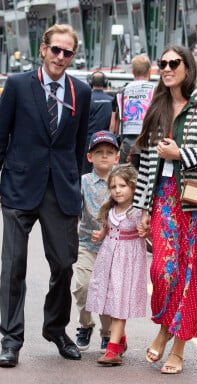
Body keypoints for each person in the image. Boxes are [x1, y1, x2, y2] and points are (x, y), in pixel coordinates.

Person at [0, 24, 91, 367]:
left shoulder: (81, 92)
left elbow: (78, 146)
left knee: (64, 262)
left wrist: (79, 185)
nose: (60, 57)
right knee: (13, 266)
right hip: (18, 186)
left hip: (61, 190)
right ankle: (11, 339)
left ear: (73, 56)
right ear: (43, 49)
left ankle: (56, 328)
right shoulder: (17, 85)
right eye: (55, 50)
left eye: (67, 52)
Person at [134, 45, 197, 374]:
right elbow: (147, 162)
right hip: (163, 196)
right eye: (162, 63)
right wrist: (143, 207)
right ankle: (164, 326)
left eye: (173, 63)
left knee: (193, 276)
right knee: (162, 271)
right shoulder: (157, 105)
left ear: (188, 69)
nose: (166, 68)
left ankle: (177, 344)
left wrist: (183, 154)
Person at [86, 164, 147, 366]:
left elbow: (151, 233)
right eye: (113, 186)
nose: (117, 190)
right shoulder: (110, 209)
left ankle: (112, 351)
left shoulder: (139, 211)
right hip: (108, 260)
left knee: (119, 302)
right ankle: (120, 339)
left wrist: (145, 231)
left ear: (133, 187)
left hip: (128, 262)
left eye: (122, 185)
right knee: (106, 301)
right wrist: (100, 234)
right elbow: (107, 227)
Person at [73, 131, 119, 353]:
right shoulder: (82, 182)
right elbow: (74, 211)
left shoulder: (122, 184)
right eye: (98, 152)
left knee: (108, 291)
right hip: (86, 246)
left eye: (109, 152)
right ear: (89, 157)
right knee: (83, 285)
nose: (104, 156)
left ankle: (107, 333)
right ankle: (85, 324)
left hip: (113, 249)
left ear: (117, 158)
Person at [112, 55, 154, 168]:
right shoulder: (155, 90)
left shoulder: (123, 91)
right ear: (149, 71)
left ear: (133, 71)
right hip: (150, 142)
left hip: (127, 143)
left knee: (126, 180)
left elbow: (115, 123)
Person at [82, 71, 114, 174]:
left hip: (88, 141)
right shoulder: (112, 100)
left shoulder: (86, 99)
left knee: (85, 173)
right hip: (107, 140)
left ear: (90, 83)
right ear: (105, 83)